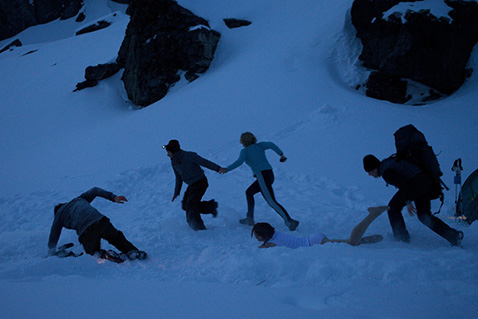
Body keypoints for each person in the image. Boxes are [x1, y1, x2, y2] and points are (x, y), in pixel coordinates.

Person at [363, 154, 463, 246]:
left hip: (416, 184)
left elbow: (403, 184)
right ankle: (453, 236)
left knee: (392, 208)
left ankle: (401, 238)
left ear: (374, 168)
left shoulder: (386, 171)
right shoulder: (388, 164)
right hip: (424, 183)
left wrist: (408, 202)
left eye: (369, 171)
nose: (369, 174)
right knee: (424, 216)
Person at [222, 132, 299, 230]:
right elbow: (271, 144)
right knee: (249, 192)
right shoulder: (260, 146)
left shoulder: (245, 151)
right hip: (269, 174)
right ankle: (249, 218)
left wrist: (227, 169)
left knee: (271, 201)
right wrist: (281, 154)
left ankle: (289, 221)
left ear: (243, 142)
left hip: (262, 175)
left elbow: (239, 162)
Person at [48, 187, 147, 262]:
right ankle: (132, 252)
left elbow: (54, 235)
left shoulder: (59, 215)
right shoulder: (78, 199)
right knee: (116, 237)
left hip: (86, 231)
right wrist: (114, 197)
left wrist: (51, 253)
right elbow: (95, 190)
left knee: (92, 253)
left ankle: (104, 255)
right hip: (101, 220)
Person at [252, 206, 389, 248]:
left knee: (350, 242)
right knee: (349, 243)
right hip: (313, 239)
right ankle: (363, 241)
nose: (256, 238)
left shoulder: (270, 243)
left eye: (256, 235)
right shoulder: (275, 235)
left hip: (314, 243)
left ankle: (373, 214)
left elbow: (257, 251)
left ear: (262, 234)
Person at [164, 139, 224, 231]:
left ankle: (199, 228)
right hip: (192, 185)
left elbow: (203, 162)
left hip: (200, 182)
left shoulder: (188, 156)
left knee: (191, 205)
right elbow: (178, 177)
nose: (167, 154)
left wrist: (217, 168)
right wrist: (176, 192)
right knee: (185, 205)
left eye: (168, 152)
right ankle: (210, 207)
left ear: (174, 151)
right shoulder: (174, 162)